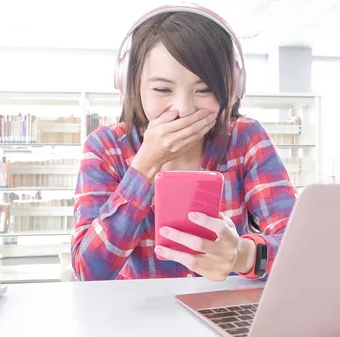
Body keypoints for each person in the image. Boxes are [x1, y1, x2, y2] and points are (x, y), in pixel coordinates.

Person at [71, 3, 297, 282]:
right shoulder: (105, 147)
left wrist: (243, 254)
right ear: (130, 84)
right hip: (134, 319)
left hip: (220, 312)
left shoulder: (245, 137)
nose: (184, 108)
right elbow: (88, 272)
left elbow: (300, 249)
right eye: (162, 89)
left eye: (205, 89)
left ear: (233, 88)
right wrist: (144, 168)